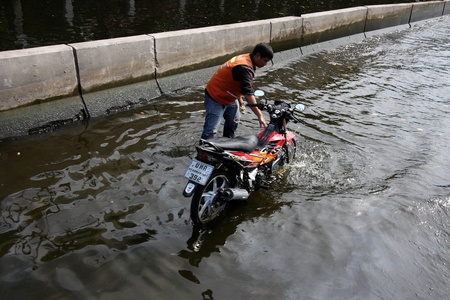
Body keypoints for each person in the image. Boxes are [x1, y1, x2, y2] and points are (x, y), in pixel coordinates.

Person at [200, 42, 274, 140]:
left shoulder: (247, 58)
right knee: (211, 131)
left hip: (230, 96)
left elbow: (237, 80)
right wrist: (260, 115)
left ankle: (228, 143)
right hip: (215, 97)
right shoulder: (244, 67)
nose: (265, 64)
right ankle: (204, 150)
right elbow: (248, 93)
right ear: (257, 55)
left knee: (233, 122)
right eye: (265, 61)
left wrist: (239, 98)